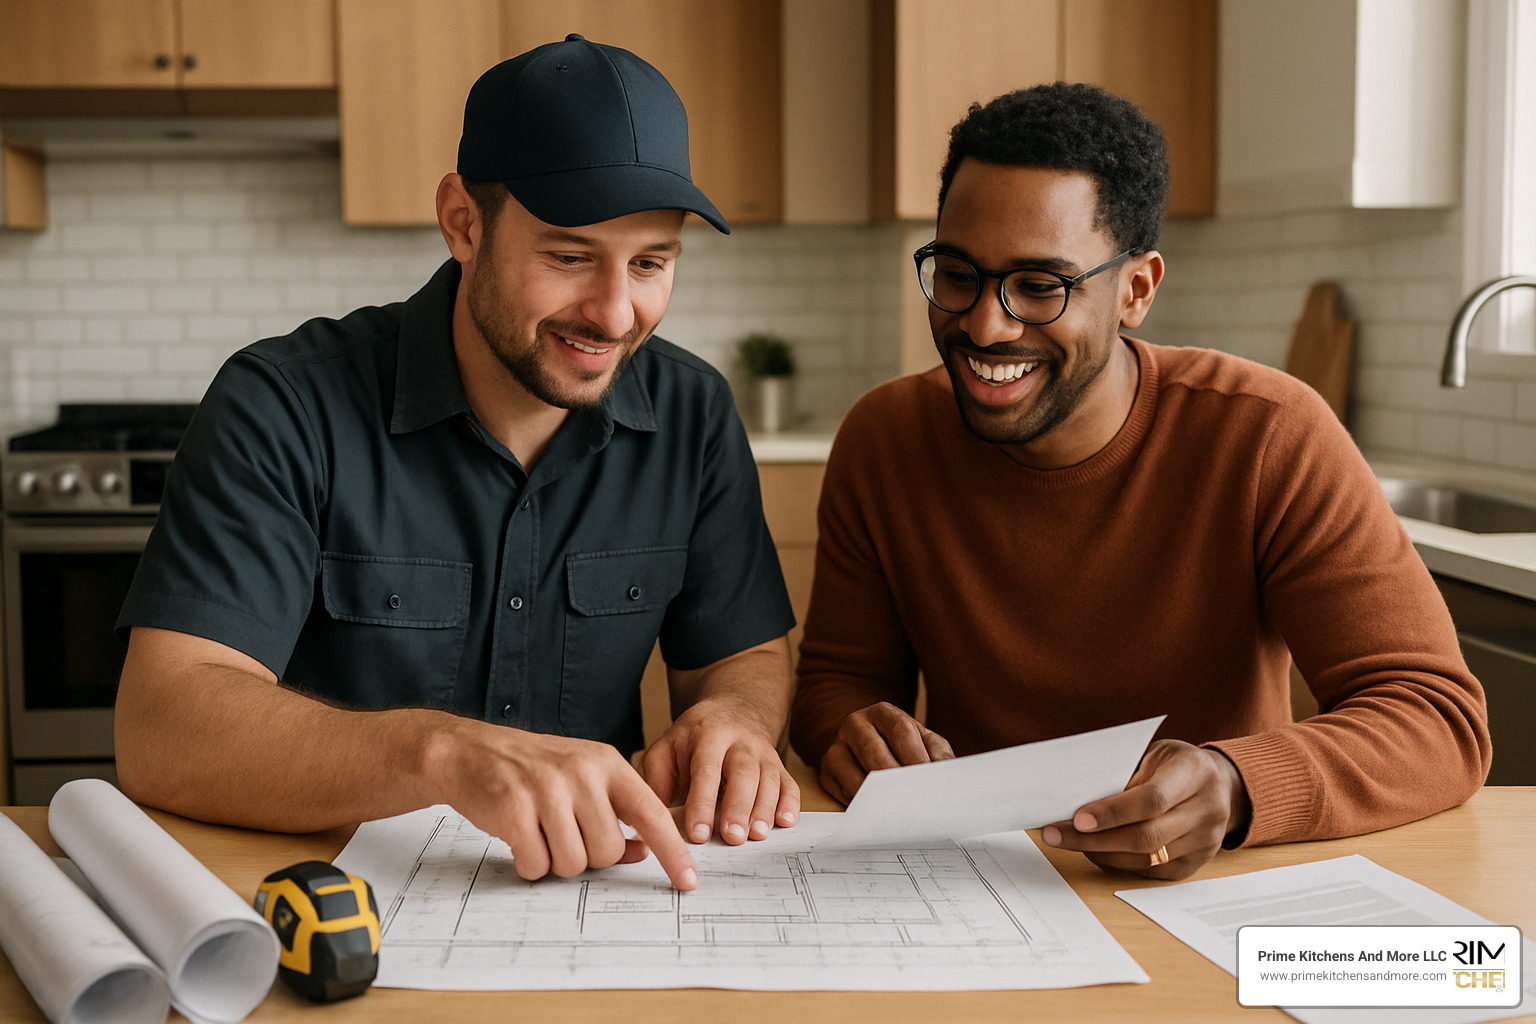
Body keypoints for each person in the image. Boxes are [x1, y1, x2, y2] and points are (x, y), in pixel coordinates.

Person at [114, 34, 800, 893]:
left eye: (651, 263)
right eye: (569, 256)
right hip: (325, 903)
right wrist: (441, 754)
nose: (617, 312)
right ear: (463, 223)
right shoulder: (282, 405)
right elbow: (162, 726)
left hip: (599, 907)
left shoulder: (693, 415)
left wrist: (735, 718)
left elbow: (745, 656)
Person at [789, 82, 1490, 881]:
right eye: (957, 274)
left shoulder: (1267, 434)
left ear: (1137, 289)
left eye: (1040, 285)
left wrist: (1235, 787)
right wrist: (854, 732)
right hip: (983, 879)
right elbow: (836, 685)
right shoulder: (885, 439)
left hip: (1217, 883)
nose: (986, 325)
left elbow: (1438, 719)